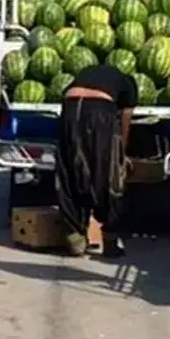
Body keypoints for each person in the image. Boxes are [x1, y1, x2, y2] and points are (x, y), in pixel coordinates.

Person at [56, 63, 137, 259]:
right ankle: (110, 240)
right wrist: (122, 150)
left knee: (70, 168)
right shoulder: (129, 83)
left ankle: (75, 238)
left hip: (70, 106)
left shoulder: (87, 72)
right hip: (98, 110)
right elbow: (126, 116)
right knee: (105, 173)